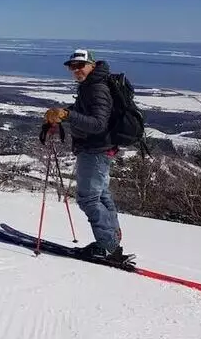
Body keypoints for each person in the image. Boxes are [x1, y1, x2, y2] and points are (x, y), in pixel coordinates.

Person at [43, 49, 128, 262]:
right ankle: (112, 238)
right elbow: (88, 112)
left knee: (88, 198)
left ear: (91, 64)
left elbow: (98, 124)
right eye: (72, 66)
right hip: (99, 148)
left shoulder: (97, 88)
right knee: (100, 195)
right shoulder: (92, 85)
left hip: (96, 149)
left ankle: (107, 246)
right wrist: (65, 113)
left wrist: (68, 115)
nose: (76, 70)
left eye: (80, 65)